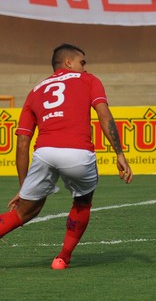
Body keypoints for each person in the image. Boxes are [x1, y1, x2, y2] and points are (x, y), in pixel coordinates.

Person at [0, 43, 133, 269]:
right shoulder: (89, 80)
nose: (85, 67)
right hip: (78, 153)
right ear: (69, 62)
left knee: (25, 211)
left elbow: (22, 142)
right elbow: (104, 114)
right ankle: (63, 258)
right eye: (82, 62)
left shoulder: (36, 90)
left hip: (44, 153)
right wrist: (119, 152)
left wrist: (24, 188)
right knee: (82, 202)